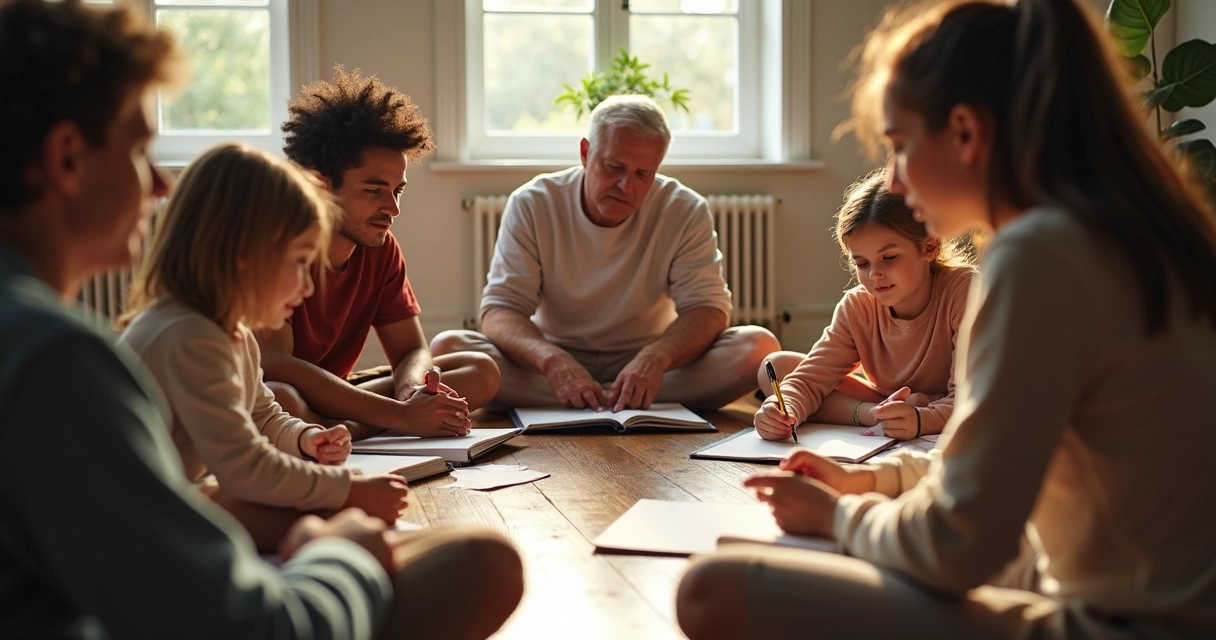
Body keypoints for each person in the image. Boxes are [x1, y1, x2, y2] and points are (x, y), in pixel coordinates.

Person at [676, 0, 1216, 638]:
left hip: (1123, 623)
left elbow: (962, 542)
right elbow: (1004, 467)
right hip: (1145, 593)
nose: (897, 184)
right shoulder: (1144, 229)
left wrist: (838, 520)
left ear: (965, 132)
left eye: (900, 147)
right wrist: (873, 479)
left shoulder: (1038, 253)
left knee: (711, 589)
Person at [0, 2, 522, 638]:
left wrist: (329, 449)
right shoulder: (56, 360)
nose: (162, 185)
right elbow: (253, 625)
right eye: (141, 150)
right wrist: (343, 549)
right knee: (483, 563)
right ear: (67, 158)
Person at [119, 143, 414, 549]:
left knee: (336, 518)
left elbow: (263, 414)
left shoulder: (232, 332)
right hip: (134, 526)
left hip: (168, 503)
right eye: (299, 262)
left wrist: (304, 437)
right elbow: (244, 467)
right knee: (344, 521)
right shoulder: (189, 336)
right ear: (244, 254)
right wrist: (346, 488)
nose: (309, 285)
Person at [432, 95, 780, 411]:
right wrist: (553, 361)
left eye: (644, 173)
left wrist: (655, 359)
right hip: (548, 362)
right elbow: (500, 310)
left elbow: (709, 309)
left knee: (759, 349)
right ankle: (622, 400)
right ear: (585, 153)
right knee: (448, 348)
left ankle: (594, 399)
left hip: (650, 363)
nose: (627, 186)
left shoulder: (685, 209)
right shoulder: (533, 202)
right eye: (615, 167)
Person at [258, 67, 500, 439]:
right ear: (322, 185)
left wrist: (413, 392)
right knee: (282, 397)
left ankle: (344, 430)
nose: (393, 209)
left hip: (340, 394)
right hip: (287, 394)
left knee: (479, 369)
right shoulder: (277, 245)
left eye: (397, 191)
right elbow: (275, 363)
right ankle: (360, 427)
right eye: (374, 191)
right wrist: (404, 417)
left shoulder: (381, 248)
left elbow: (411, 351)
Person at [755, 168, 974, 441]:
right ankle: (876, 413)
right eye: (861, 263)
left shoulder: (965, 292)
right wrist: (779, 410)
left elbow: (976, 398)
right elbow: (809, 379)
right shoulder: (858, 305)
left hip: (951, 402)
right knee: (775, 369)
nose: (874, 275)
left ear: (929, 247)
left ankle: (898, 412)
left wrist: (921, 419)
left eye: (890, 257)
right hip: (887, 398)